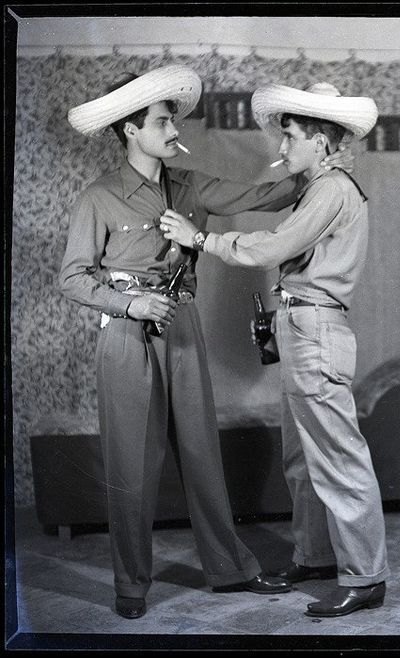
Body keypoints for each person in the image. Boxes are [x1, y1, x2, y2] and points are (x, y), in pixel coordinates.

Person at [59, 65, 352, 620]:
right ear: (131, 130)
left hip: (183, 327)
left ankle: (230, 570)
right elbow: (72, 278)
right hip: (126, 335)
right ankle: (131, 585)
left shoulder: (190, 187)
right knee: (131, 464)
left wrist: (318, 161)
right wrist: (130, 303)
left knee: (201, 453)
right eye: (163, 121)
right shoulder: (98, 198)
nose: (174, 130)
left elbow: (265, 195)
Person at [160, 80, 390, 618]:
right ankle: (314, 556)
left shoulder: (333, 188)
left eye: (289, 137)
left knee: (336, 459)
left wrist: (201, 239)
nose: (280, 149)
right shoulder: (318, 188)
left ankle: (367, 577)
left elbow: (275, 247)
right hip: (300, 327)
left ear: (322, 141)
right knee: (302, 460)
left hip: (315, 329)